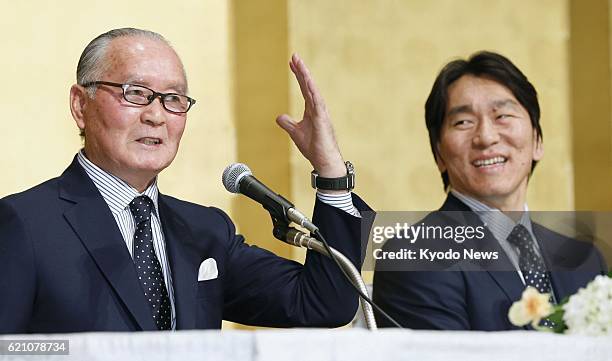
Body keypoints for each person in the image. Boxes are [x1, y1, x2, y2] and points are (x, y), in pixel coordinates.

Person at [0, 28, 368, 333]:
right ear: (81, 105)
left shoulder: (204, 232)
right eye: (137, 94)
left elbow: (323, 303)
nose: (156, 115)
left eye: (173, 99)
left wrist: (331, 170)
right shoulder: (24, 223)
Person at [373, 51, 607, 330]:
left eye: (503, 116)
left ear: (537, 141)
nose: (486, 137)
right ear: (439, 155)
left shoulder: (586, 260)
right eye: (463, 122)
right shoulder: (416, 256)